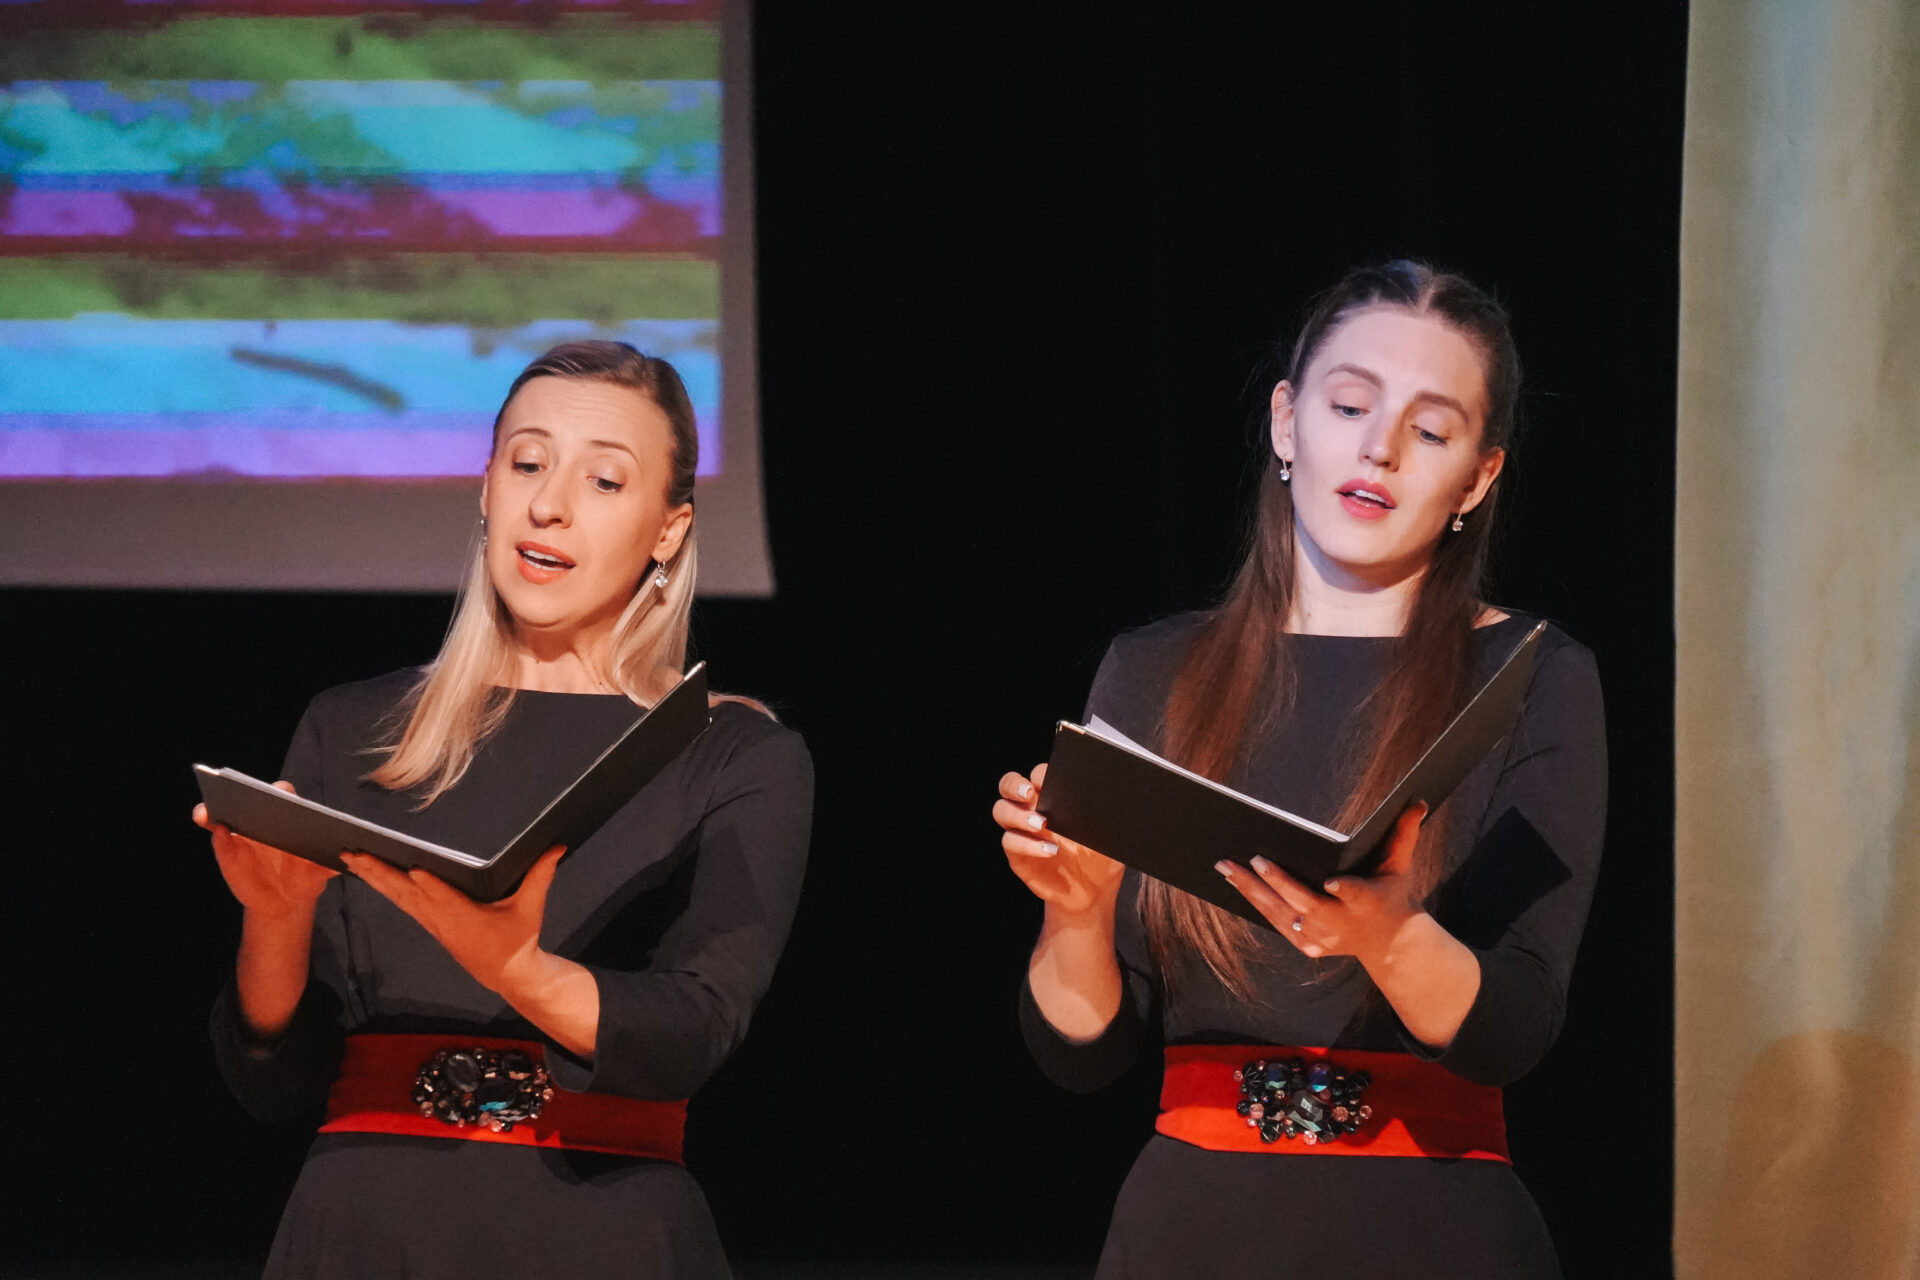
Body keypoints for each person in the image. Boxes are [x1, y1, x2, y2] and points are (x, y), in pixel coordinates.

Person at [994, 261, 1606, 1278]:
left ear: (1478, 479)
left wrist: (1389, 936)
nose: (1380, 449)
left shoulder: (1533, 675)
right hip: (1192, 1231)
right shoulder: (1154, 669)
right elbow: (1082, 1053)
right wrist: (1077, 913)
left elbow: (1514, 1026)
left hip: (1434, 1231)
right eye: (1350, 406)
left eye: (1431, 429)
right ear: (1287, 422)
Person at [197, 341, 812, 1279]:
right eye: (527, 464)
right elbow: (273, 1082)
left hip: (601, 1233)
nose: (549, 504)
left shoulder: (733, 753)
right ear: (486, 487)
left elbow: (693, 1031)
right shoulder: (353, 728)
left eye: (604, 480)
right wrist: (274, 920)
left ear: (669, 530)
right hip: (365, 1228)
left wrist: (516, 968)